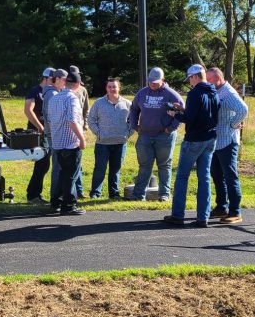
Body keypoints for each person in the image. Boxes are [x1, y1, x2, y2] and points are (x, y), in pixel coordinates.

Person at [165, 64, 219, 227]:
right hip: (210, 138)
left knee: (182, 176)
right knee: (204, 178)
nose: (189, 81)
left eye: (190, 78)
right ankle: (203, 217)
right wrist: (183, 110)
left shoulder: (195, 93)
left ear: (195, 76)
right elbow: (204, 113)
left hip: (194, 139)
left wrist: (176, 114)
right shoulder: (213, 91)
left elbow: (189, 118)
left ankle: (178, 215)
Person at [129, 67, 183, 201]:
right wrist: (134, 125)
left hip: (164, 136)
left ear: (163, 80)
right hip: (145, 135)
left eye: (156, 82)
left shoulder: (171, 94)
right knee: (144, 165)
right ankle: (138, 195)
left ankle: (164, 194)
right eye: (151, 81)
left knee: (164, 165)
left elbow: (181, 112)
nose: (153, 84)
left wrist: (171, 128)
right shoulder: (142, 93)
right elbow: (134, 109)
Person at [206, 67, 249, 224]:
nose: (207, 82)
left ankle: (235, 211)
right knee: (217, 175)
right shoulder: (216, 91)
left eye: (209, 79)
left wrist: (233, 124)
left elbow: (243, 109)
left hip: (228, 141)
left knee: (230, 176)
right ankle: (221, 207)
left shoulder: (228, 92)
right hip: (217, 141)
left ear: (217, 78)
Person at [46, 70, 87, 215]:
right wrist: (81, 139)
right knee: (71, 174)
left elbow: (50, 121)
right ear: (77, 84)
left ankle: (55, 203)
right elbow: (72, 120)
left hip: (57, 142)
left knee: (62, 173)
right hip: (70, 142)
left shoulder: (54, 98)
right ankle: (69, 204)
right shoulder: (72, 98)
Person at [87, 78, 131, 199]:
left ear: (119, 88)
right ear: (106, 88)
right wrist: (98, 133)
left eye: (114, 86)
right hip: (102, 143)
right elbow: (91, 119)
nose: (112, 89)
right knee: (100, 169)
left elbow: (133, 121)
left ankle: (114, 193)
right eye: (109, 87)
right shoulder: (98, 103)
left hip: (120, 143)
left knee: (115, 170)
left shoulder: (127, 104)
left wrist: (127, 134)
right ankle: (95, 193)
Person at [24, 67, 55, 203]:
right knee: (42, 163)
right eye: (53, 79)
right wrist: (40, 126)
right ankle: (33, 195)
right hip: (38, 132)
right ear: (46, 78)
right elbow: (28, 110)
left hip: (49, 132)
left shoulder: (53, 91)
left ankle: (34, 193)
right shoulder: (35, 91)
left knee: (43, 164)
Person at [42, 69, 67, 200]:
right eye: (64, 80)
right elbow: (51, 116)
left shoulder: (53, 92)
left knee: (59, 165)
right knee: (58, 166)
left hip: (53, 133)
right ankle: (56, 198)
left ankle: (57, 197)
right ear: (56, 79)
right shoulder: (52, 94)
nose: (66, 83)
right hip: (54, 135)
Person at [68, 65, 90, 198]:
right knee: (71, 163)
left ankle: (79, 191)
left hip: (79, 128)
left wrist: (85, 124)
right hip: (69, 129)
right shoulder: (64, 90)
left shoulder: (83, 90)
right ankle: (73, 191)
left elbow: (86, 109)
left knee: (78, 162)